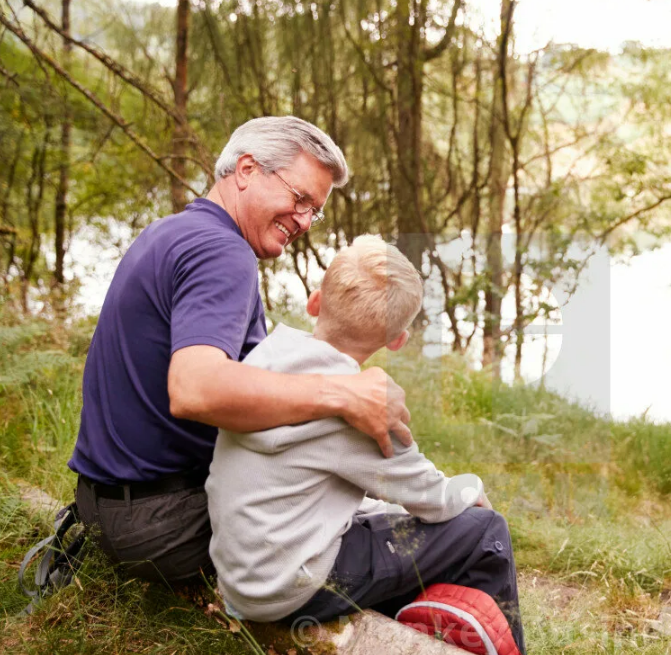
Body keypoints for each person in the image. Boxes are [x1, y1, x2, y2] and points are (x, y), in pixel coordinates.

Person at [69, 117, 414, 585]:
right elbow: (195, 389)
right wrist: (346, 393)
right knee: (414, 537)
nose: (305, 221)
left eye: (315, 210)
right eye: (300, 199)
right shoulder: (223, 252)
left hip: (101, 508)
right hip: (161, 526)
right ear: (247, 170)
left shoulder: (170, 232)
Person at [206, 235, 525, 653]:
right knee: (486, 531)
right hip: (288, 588)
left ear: (314, 301)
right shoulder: (359, 405)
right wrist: (470, 487)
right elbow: (431, 497)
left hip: (244, 571)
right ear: (397, 340)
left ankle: (431, 619)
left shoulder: (267, 360)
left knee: (388, 518)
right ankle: (494, 644)